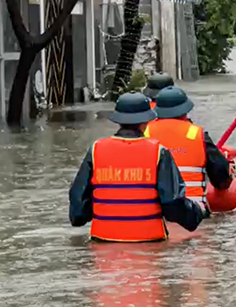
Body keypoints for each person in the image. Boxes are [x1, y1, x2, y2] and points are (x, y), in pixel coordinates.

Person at [69, 92, 207, 242]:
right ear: (145, 122)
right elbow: (172, 203)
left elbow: (78, 198)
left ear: (118, 120)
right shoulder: (159, 152)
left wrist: (79, 218)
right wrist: (196, 213)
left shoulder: (96, 149)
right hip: (149, 242)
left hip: (103, 241)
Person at [144, 86, 233, 208]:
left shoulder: (145, 132)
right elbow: (219, 172)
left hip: (154, 208)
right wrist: (224, 184)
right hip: (193, 209)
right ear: (185, 111)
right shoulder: (197, 134)